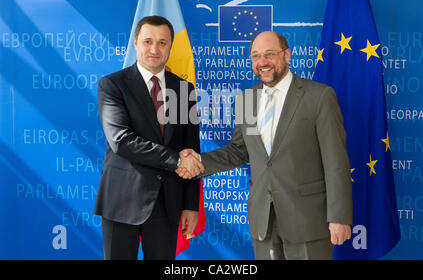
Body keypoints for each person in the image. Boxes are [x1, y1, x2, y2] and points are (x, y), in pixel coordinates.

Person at [177, 31, 353, 260]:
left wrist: (339, 217)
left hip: (308, 221)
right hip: (264, 222)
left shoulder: (318, 97)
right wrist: (199, 161)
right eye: (256, 56)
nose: (262, 62)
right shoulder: (247, 100)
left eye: (269, 54)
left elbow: (336, 161)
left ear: (287, 55)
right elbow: (238, 151)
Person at [94, 15, 204, 260]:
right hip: (121, 201)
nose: (154, 49)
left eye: (162, 42)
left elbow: (191, 149)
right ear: (135, 42)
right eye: (147, 41)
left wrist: (190, 204)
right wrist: (176, 160)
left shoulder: (185, 90)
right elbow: (121, 140)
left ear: (170, 46)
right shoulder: (112, 84)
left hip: (168, 203)